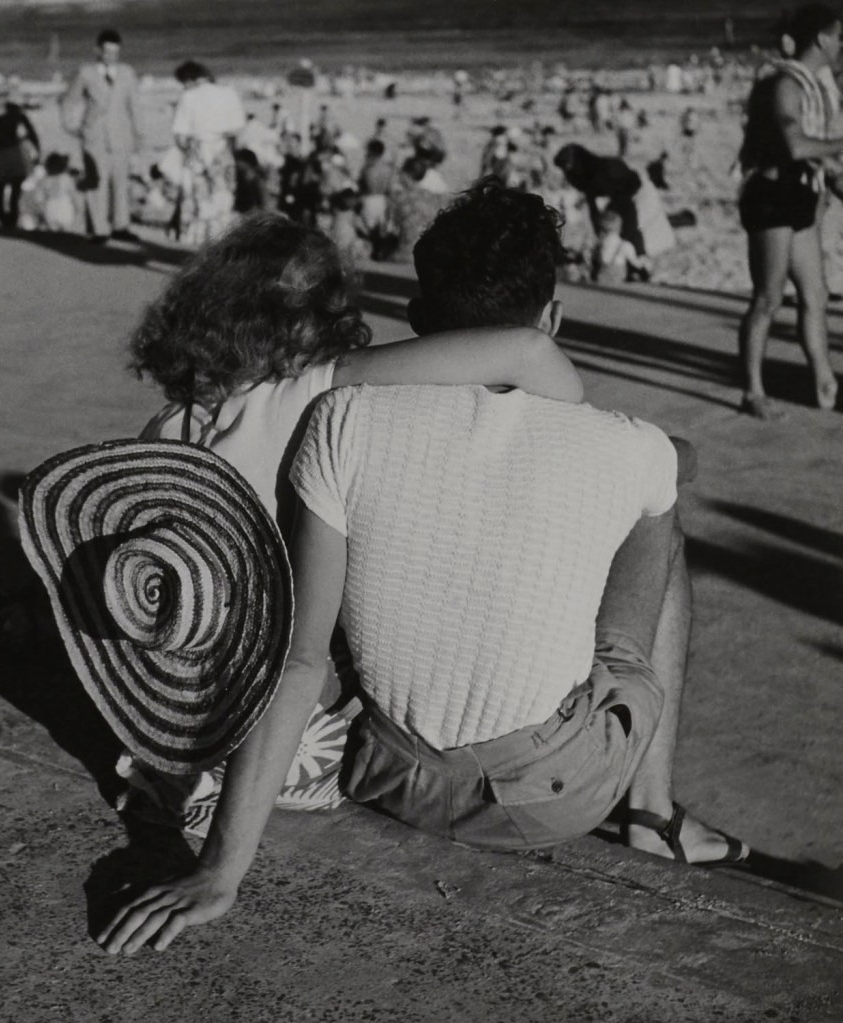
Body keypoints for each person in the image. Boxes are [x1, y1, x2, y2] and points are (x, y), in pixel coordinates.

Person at [97, 183, 747, 956]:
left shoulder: (215, 426)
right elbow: (562, 377)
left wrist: (223, 872)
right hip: (469, 774)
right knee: (655, 514)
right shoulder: (325, 395)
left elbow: (286, 644)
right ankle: (650, 810)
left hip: (256, 736)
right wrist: (583, 435)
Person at [736, 3, 843, 417]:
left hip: (799, 195)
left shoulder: (812, 85)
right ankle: (753, 391)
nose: (841, 46)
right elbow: (795, 146)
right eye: (839, 37)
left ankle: (823, 380)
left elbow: (812, 158)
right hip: (771, 196)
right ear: (822, 38)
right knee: (768, 299)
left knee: (815, 294)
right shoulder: (784, 84)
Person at [61, 28, 143, 243]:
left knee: (121, 182)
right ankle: (99, 229)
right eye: (107, 52)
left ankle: (121, 226)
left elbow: (135, 106)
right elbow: (70, 101)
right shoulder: (86, 72)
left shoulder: (127, 72)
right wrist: (72, 126)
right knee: (96, 182)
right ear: (98, 50)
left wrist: (139, 135)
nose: (111, 57)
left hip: (121, 135)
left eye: (115, 53)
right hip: (93, 136)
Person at [168, 60, 246, 245]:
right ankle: (219, 249)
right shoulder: (229, 93)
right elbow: (237, 129)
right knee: (223, 204)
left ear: (190, 79)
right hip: (222, 150)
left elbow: (179, 135)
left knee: (200, 205)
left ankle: (202, 249)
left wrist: (188, 150)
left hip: (197, 152)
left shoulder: (188, 97)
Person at [0, 87, 40, 229]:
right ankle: (11, 219)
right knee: (15, 190)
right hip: (15, 153)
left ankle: (6, 219)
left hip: (2, 154)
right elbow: (32, 134)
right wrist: (37, 154)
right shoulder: (17, 116)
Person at [591, 209, 652, 284]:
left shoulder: (600, 244)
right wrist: (644, 261)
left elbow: (601, 259)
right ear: (620, 227)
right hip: (618, 276)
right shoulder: (625, 245)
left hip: (603, 274)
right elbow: (636, 264)